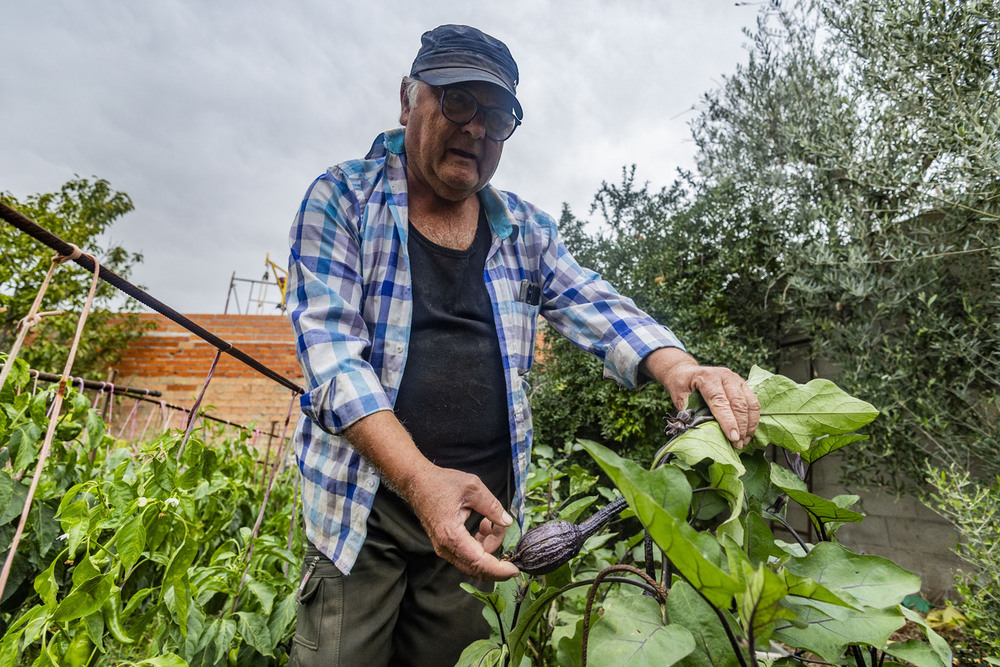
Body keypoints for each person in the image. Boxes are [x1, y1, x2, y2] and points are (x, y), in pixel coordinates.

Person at [285, 24, 760, 667]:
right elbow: (334, 360)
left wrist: (677, 362)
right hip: (364, 512)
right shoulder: (342, 199)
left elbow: (588, 299)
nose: (477, 128)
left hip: (482, 515)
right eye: (458, 102)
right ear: (408, 101)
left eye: (498, 114)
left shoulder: (524, 230)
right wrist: (422, 481)